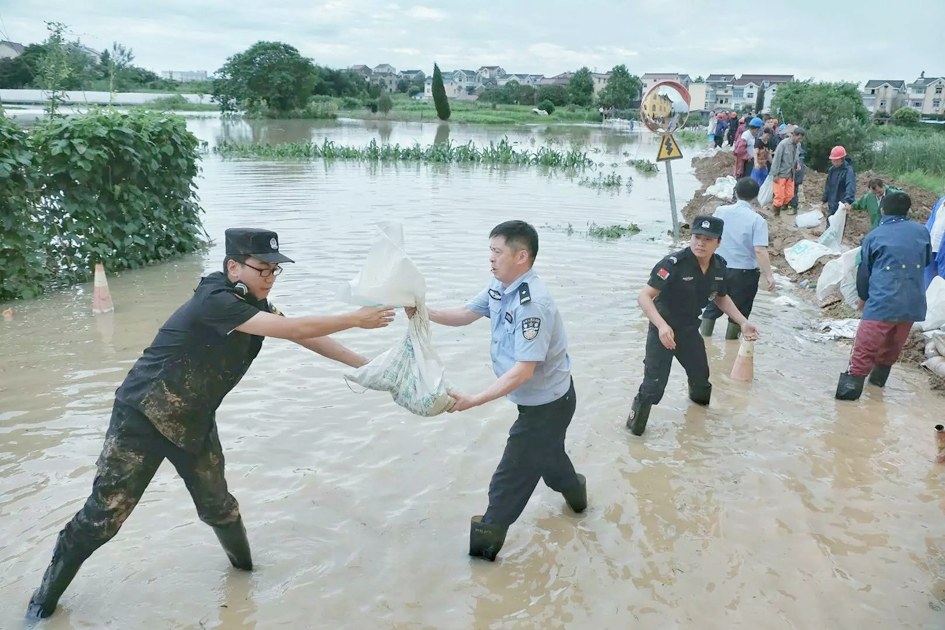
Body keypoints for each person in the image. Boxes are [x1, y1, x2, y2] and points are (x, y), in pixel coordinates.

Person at [26, 228, 395, 619]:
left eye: (275, 271)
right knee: (104, 518)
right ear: (233, 266)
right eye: (263, 269)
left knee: (220, 508)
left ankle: (245, 580)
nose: (270, 277)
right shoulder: (216, 300)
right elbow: (296, 329)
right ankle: (41, 603)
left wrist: (372, 368)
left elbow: (305, 337)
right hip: (143, 417)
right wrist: (356, 319)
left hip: (193, 421)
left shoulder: (255, 306)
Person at [415, 220, 586, 562]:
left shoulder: (532, 305)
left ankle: (480, 565)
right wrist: (422, 312)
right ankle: (580, 503)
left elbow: (524, 370)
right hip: (542, 403)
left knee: (507, 485)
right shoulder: (500, 287)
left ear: (521, 256)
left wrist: (474, 399)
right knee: (551, 464)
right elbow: (465, 313)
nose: (490, 258)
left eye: (497, 252)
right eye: (490, 251)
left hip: (547, 407)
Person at [626, 215, 761, 436]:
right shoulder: (673, 264)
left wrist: (743, 322)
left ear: (718, 242)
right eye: (697, 237)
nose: (701, 243)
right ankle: (633, 432)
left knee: (701, 379)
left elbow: (720, 297)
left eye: (708, 239)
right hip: (663, 331)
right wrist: (661, 326)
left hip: (688, 330)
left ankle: (697, 428)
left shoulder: (719, 267)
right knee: (653, 386)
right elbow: (644, 296)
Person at [835, 192, 932, 400]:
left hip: (881, 304)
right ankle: (876, 391)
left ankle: (847, 403)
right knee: (890, 352)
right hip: (911, 305)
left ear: (882, 210)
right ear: (908, 211)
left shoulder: (875, 236)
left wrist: (862, 298)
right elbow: (925, 262)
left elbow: (864, 272)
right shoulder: (923, 232)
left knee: (862, 353)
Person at [700, 178, 775, 340]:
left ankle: (704, 340)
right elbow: (760, 250)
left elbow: (710, 237)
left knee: (712, 306)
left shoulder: (720, 211)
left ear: (735, 192)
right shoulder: (758, 220)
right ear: (756, 196)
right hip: (744, 273)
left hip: (718, 267)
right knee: (739, 312)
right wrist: (769, 275)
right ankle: (731, 346)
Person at [768, 126, 805, 217]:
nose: (799, 141)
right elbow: (776, 159)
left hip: (790, 174)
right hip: (781, 173)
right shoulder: (783, 144)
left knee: (789, 195)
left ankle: (780, 206)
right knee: (779, 195)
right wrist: (775, 174)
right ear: (794, 135)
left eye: (801, 139)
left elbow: (795, 156)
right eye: (798, 138)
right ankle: (776, 214)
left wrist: (797, 164)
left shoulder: (798, 145)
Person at [822, 145, 856, 216]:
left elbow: (850, 186)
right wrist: (824, 200)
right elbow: (828, 186)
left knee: (839, 225)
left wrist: (848, 201)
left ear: (842, 159)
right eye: (833, 160)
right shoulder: (832, 170)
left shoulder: (848, 171)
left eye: (836, 160)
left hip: (842, 205)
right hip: (832, 204)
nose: (834, 162)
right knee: (830, 225)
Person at [926, 188, 945, 287]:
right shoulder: (941, 202)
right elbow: (931, 221)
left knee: (942, 278)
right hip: (932, 243)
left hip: (943, 248)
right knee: (927, 277)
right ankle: (927, 300)